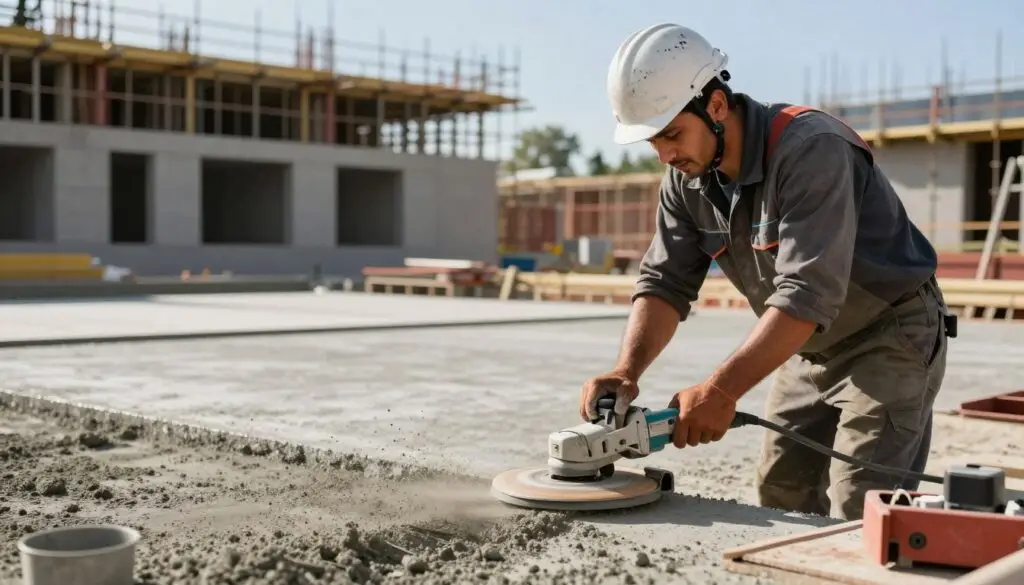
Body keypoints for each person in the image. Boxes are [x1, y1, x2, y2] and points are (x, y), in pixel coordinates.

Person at [579, 23, 956, 520]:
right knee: (783, 490)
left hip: (889, 337)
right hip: (807, 346)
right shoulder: (686, 180)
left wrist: (719, 392)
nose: (666, 154)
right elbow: (664, 284)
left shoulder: (810, 149)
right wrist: (626, 372)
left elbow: (805, 294)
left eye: (672, 133)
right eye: (654, 141)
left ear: (715, 106)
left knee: (861, 509)